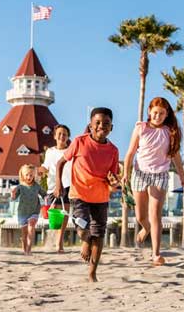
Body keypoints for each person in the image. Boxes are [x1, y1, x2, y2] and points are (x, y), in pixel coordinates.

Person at [121, 97, 184, 266]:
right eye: (155, 112)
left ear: (166, 115)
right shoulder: (141, 128)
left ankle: (156, 254)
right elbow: (130, 153)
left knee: (155, 214)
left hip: (160, 175)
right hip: (139, 173)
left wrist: (182, 175)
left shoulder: (169, 131)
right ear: (150, 112)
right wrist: (125, 174)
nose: (158, 116)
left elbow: (175, 156)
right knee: (140, 216)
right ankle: (146, 228)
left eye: (162, 113)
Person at [54, 107, 120, 282]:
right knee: (83, 228)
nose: (101, 126)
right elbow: (60, 163)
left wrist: (114, 183)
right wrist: (58, 184)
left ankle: (92, 273)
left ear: (111, 128)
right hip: (79, 195)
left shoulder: (113, 150)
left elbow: (112, 180)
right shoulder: (79, 141)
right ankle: (85, 240)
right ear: (90, 126)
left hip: (100, 197)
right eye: (97, 123)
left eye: (106, 124)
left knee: (98, 235)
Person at [38, 124, 72, 253]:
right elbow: (45, 166)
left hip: (68, 185)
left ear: (68, 137)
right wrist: (39, 170)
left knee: (65, 214)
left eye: (64, 134)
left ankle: (59, 242)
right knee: (54, 215)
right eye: (59, 134)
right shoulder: (50, 152)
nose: (62, 136)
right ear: (54, 136)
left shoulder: (70, 151)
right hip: (53, 186)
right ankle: (51, 240)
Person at [11, 164, 47, 255]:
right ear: (23, 175)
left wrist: (46, 199)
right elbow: (14, 199)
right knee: (24, 234)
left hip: (34, 211)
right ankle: (24, 249)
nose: (29, 177)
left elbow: (44, 194)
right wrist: (13, 193)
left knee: (31, 229)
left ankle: (29, 250)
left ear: (34, 175)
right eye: (27, 175)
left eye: (31, 175)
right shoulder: (20, 187)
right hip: (22, 212)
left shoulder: (37, 186)